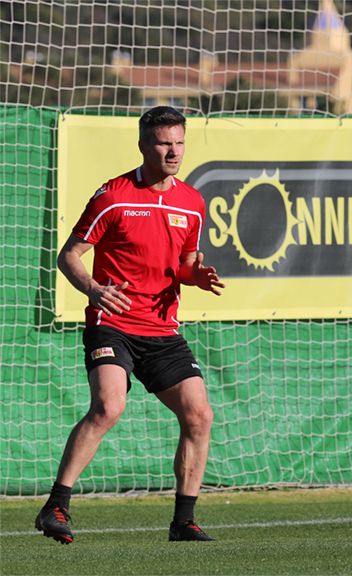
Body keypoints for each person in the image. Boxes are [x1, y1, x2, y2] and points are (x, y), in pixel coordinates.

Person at [35, 106, 225, 544]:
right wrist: (94, 290)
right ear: (143, 145)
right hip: (112, 322)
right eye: (163, 143)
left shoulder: (192, 202)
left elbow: (186, 264)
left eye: (179, 141)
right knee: (109, 407)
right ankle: (56, 507)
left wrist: (197, 276)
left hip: (161, 329)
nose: (173, 151)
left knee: (199, 415)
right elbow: (69, 256)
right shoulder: (114, 195)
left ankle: (184, 522)